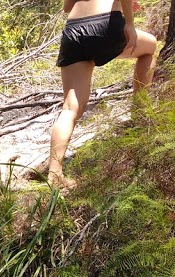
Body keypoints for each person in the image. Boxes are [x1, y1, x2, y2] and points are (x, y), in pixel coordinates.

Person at [48, 0, 157, 189]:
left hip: (74, 31)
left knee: (71, 108)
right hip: (104, 24)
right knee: (150, 46)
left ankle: (54, 174)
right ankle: (139, 115)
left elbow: (67, 8)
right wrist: (129, 22)